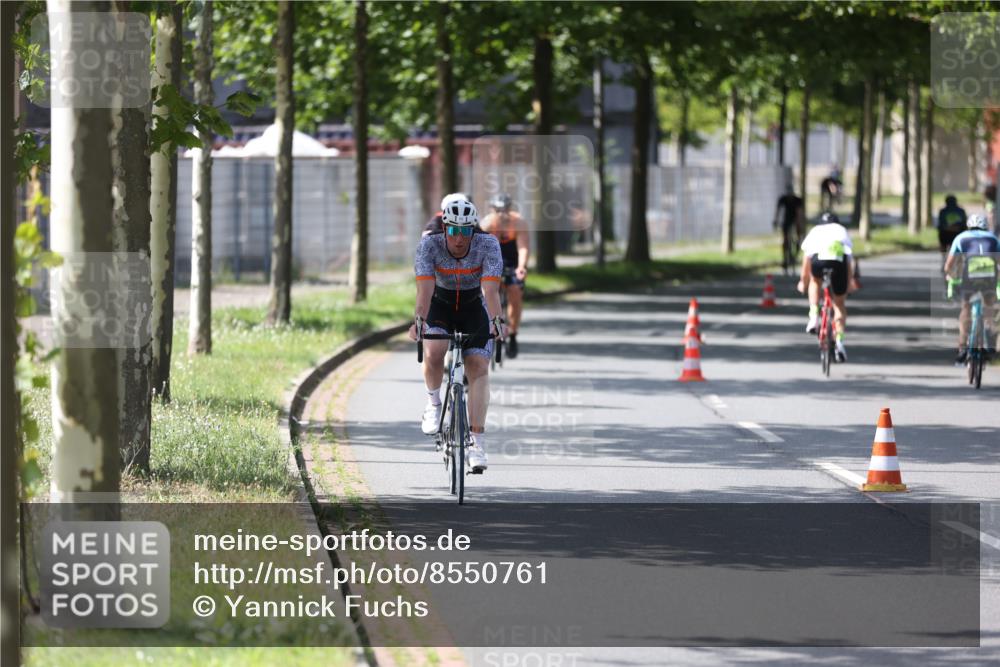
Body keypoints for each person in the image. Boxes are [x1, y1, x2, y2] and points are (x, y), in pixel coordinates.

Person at [410, 195, 505, 472]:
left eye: (466, 231)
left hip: (474, 306)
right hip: (440, 305)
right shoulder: (429, 245)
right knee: (435, 350)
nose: (460, 238)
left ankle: (477, 443)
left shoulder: (488, 244)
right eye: (453, 230)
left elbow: (490, 290)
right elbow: (424, 291)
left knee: (478, 367)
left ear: (473, 229)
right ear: (445, 228)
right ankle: (433, 403)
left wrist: (497, 320)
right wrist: (419, 320)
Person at [797, 211, 859, 362]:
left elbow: (807, 261)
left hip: (819, 261)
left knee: (815, 281)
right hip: (838, 263)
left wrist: (803, 281)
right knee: (839, 304)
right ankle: (840, 340)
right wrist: (850, 281)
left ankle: (813, 316)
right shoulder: (842, 231)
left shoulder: (815, 231)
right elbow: (849, 260)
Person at [479, 193, 530, 358]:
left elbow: (523, 247)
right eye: (498, 210)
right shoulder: (486, 224)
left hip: (511, 261)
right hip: (492, 260)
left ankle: (513, 334)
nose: (502, 213)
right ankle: (488, 327)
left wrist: (521, 267)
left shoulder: (518, 223)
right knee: (486, 292)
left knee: (515, 291)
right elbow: (479, 250)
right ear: (492, 210)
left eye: (505, 209)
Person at [944, 213, 999, 364]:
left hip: (971, 275)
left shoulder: (961, 238)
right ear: (985, 226)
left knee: (966, 307)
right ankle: (990, 345)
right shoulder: (993, 238)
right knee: (989, 308)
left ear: (969, 226)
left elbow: (949, 265)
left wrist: (950, 277)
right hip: (989, 276)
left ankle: (962, 348)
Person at [773, 183, 804, 274]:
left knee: (799, 240)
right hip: (787, 221)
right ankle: (785, 259)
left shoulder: (797, 200)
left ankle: (795, 255)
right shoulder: (783, 199)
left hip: (796, 220)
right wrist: (776, 220)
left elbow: (799, 213)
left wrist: (800, 224)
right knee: (785, 240)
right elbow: (778, 211)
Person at [936, 194, 967, 265]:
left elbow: (941, 224)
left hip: (945, 234)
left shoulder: (943, 211)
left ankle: (944, 257)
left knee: (942, 239)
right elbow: (964, 223)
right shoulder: (961, 211)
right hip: (958, 233)